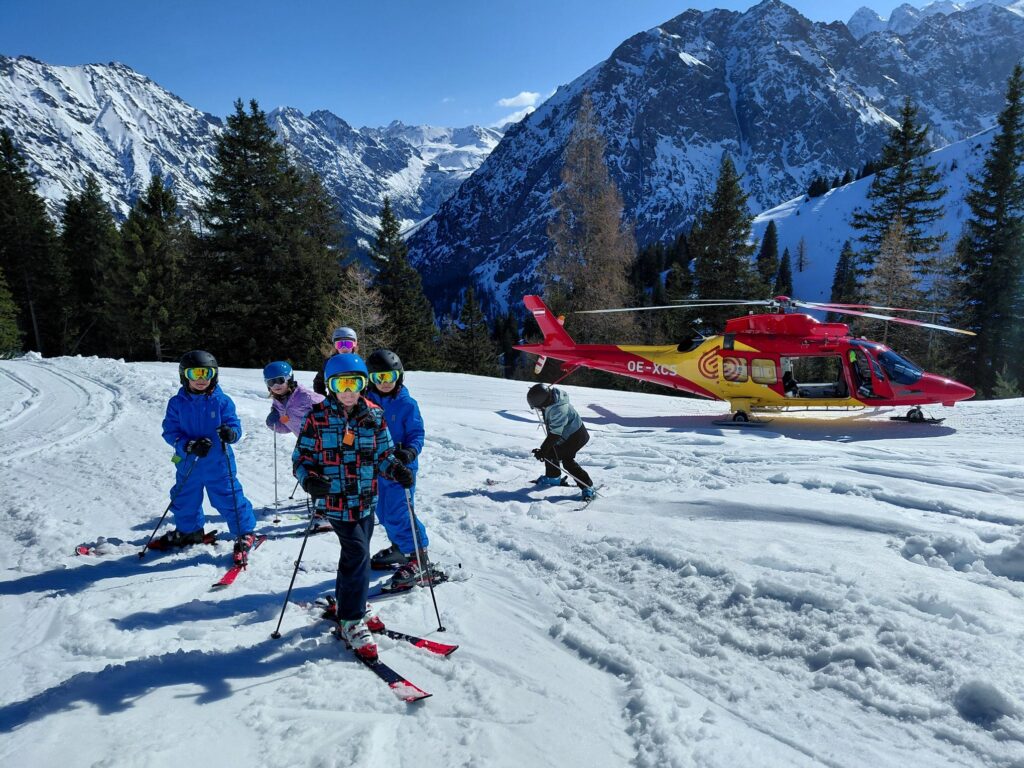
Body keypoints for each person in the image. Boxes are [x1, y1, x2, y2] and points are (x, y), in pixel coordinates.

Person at [292, 353, 414, 660]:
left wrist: (396, 469)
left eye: (355, 383)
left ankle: (352, 599)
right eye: (341, 384)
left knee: (354, 556)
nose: (348, 391)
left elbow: (383, 455)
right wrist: (310, 479)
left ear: (364, 384)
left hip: (365, 499)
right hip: (335, 500)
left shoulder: (374, 415)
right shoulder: (317, 417)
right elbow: (302, 458)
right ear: (330, 386)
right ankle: (350, 618)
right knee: (358, 553)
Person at [161, 350, 258, 565]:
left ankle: (245, 532)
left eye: (206, 373)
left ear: (214, 374)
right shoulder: (177, 403)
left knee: (229, 497)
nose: (201, 379)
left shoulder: (222, 401)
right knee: (184, 498)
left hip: (218, 463)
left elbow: (234, 425)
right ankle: (189, 531)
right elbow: (170, 431)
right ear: (184, 375)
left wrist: (231, 434)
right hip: (188, 462)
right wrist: (188, 445)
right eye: (194, 373)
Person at [364, 349, 438, 592]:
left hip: (401, 468)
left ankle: (419, 556)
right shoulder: (365, 403)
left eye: (390, 377)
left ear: (399, 376)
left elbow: (417, 433)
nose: (385, 383)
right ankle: (400, 548)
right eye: (378, 378)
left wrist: (410, 452)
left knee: (400, 511)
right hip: (376, 468)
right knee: (383, 512)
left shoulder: (407, 404)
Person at [527, 383, 595, 501]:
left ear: (543, 402)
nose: (538, 410)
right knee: (550, 451)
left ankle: (587, 486)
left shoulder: (559, 409)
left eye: (538, 407)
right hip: (564, 434)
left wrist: (543, 450)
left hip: (575, 436)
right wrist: (545, 450)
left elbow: (555, 434)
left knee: (567, 461)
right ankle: (553, 477)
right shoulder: (550, 400)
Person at [263, 360, 324, 437]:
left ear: (289, 379)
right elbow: (289, 428)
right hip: (307, 442)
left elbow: (330, 408)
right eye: (271, 382)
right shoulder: (278, 404)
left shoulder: (306, 397)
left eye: (280, 380)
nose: (276, 385)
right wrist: (275, 425)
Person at [313, 326, 358, 396]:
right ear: (335, 346)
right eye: (339, 344)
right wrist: (322, 398)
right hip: (334, 399)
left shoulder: (358, 362)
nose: (344, 348)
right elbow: (318, 382)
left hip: (354, 399)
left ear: (354, 345)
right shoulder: (330, 362)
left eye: (348, 344)